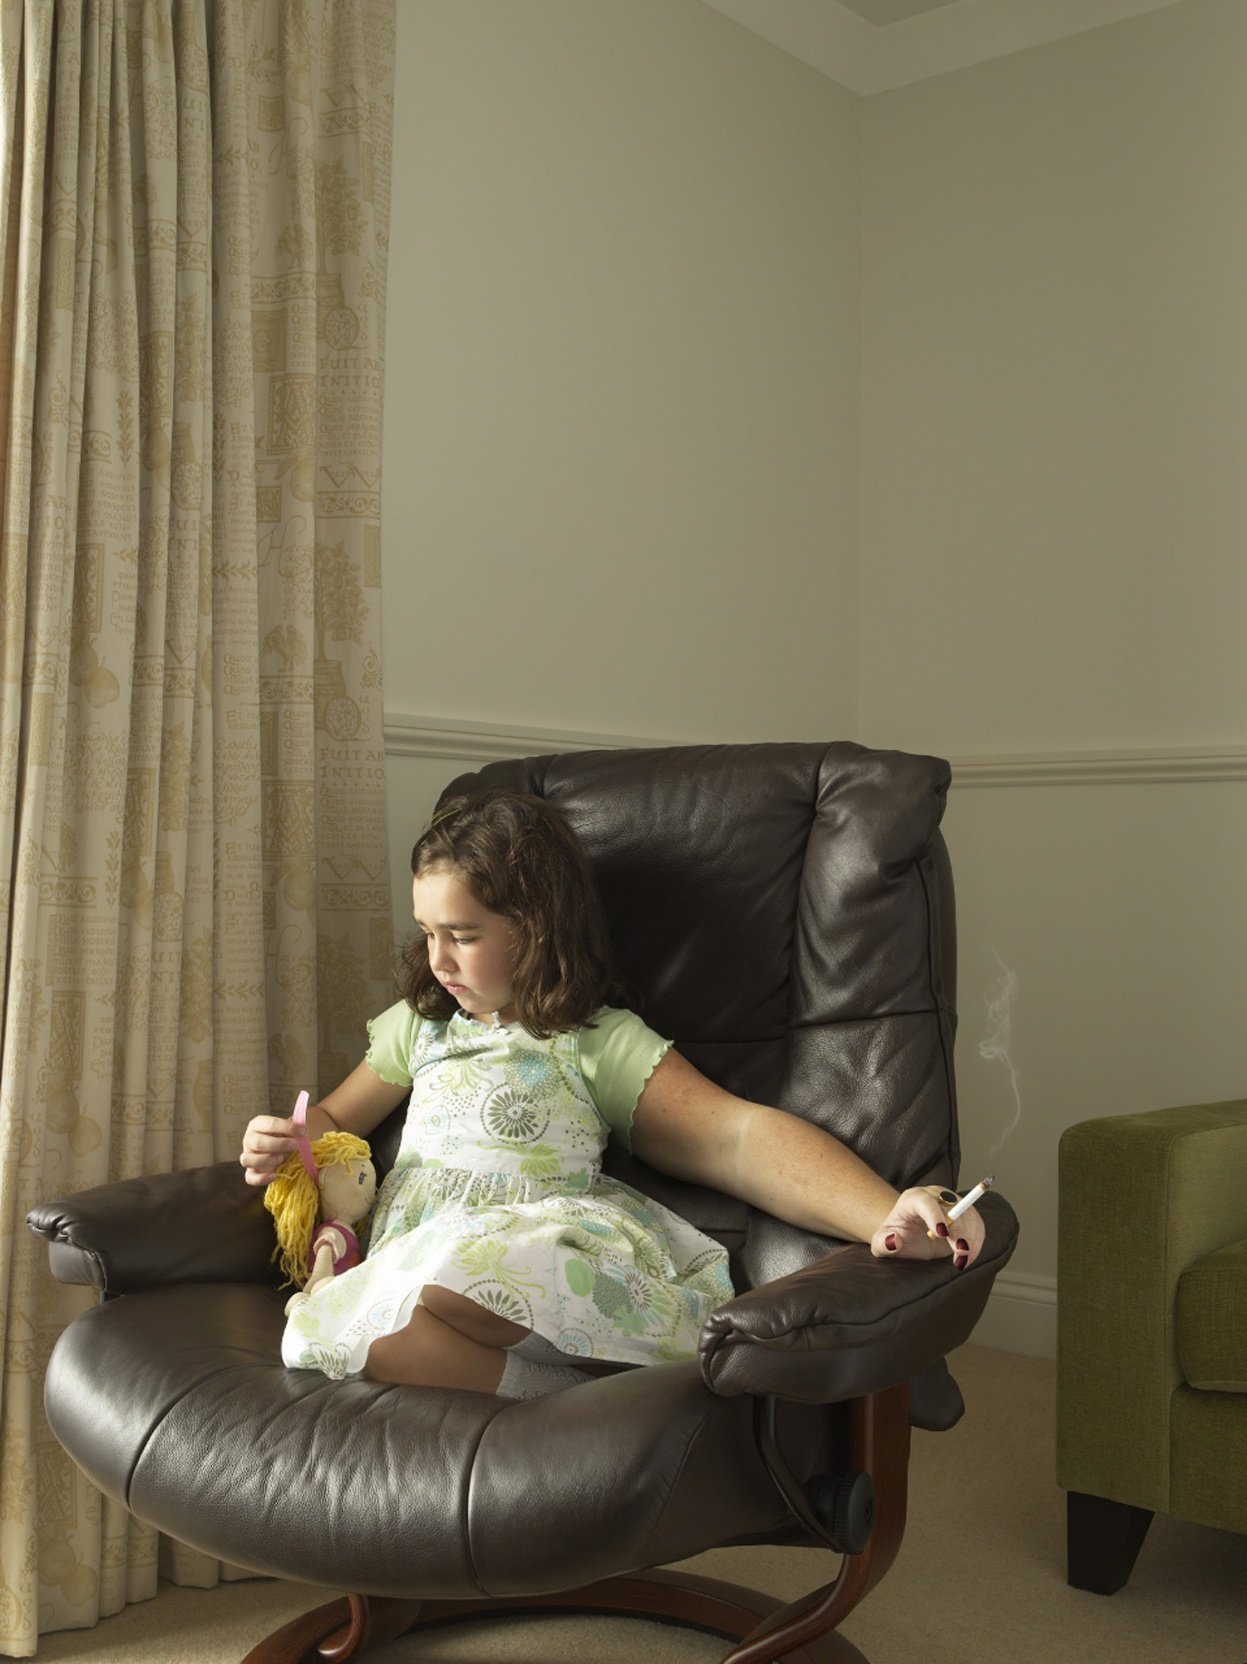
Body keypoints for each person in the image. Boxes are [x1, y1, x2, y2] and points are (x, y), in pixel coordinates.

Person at [240, 791, 985, 1399]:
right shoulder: (420, 1029)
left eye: (462, 935)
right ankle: (555, 1406)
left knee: (449, 1277)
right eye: (426, 932)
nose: (437, 960)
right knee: (368, 1335)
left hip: (525, 1251)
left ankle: (582, 1383)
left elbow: (737, 1139)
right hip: (418, 1262)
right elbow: (333, 1121)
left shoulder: (590, 1037)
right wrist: (286, 1141)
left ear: (535, 929)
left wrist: (885, 1210)